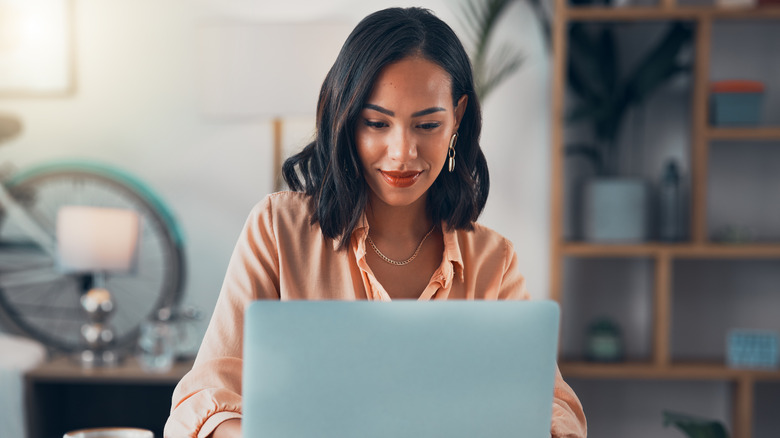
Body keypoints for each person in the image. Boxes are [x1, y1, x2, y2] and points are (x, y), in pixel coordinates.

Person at [165, 7, 587, 438]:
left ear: (457, 119)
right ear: (345, 120)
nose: (402, 152)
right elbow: (204, 401)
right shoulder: (277, 230)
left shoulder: (492, 260)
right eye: (376, 123)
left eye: (427, 124)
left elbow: (552, 404)